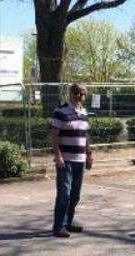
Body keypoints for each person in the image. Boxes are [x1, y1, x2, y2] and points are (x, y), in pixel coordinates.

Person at [50, 83, 93, 238]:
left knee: (75, 194)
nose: (78, 96)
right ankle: (58, 226)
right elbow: (54, 136)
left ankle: (69, 221)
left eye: (81, 94)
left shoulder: (84, 112)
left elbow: (85, 135)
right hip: (66, 160)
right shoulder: (60, 112)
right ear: (70, 93)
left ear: (85, 96)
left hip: (80, 160)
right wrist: (58, 156)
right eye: (75, 93)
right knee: (64, 194)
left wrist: (89, 154)